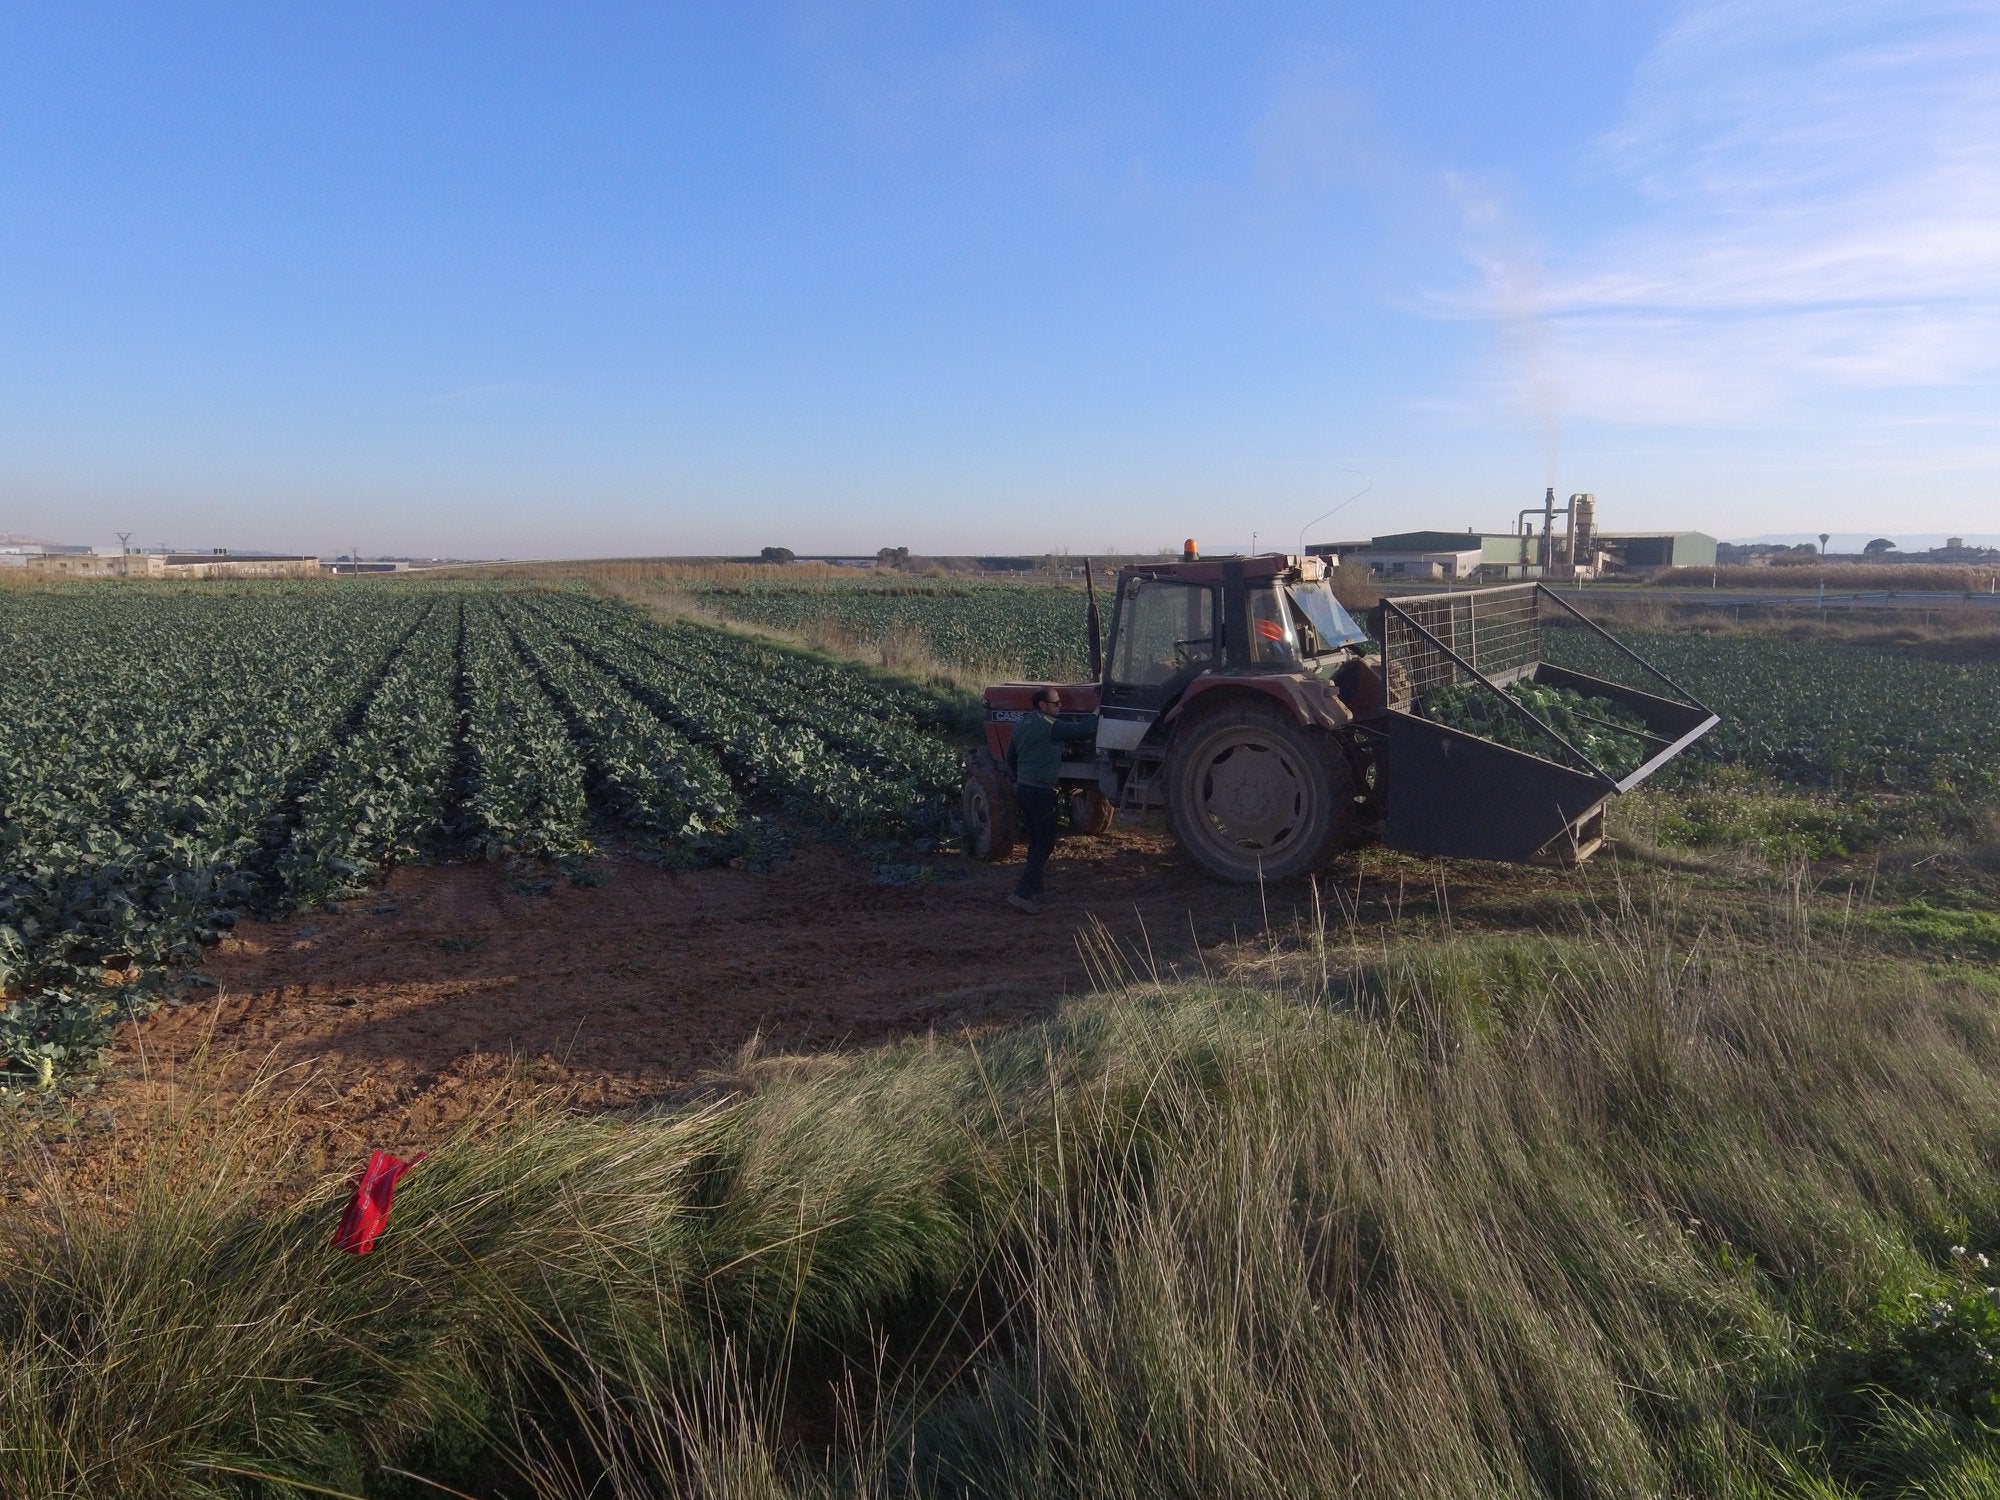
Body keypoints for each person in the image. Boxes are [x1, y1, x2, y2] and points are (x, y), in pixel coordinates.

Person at [1004, 687, 1098, 913]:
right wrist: (1098, 711)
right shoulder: (1050, 726)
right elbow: (1084, 730)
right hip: (1041, 791)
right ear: (1042, 705)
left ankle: (1035, 886)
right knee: (1046, 843)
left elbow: (1011, 758)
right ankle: (1021, 894)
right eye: (1056, 703)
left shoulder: (1021, 724)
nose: (1060, 706)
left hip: (1025, 789)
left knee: (1036, 840)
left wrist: (1020, 777)